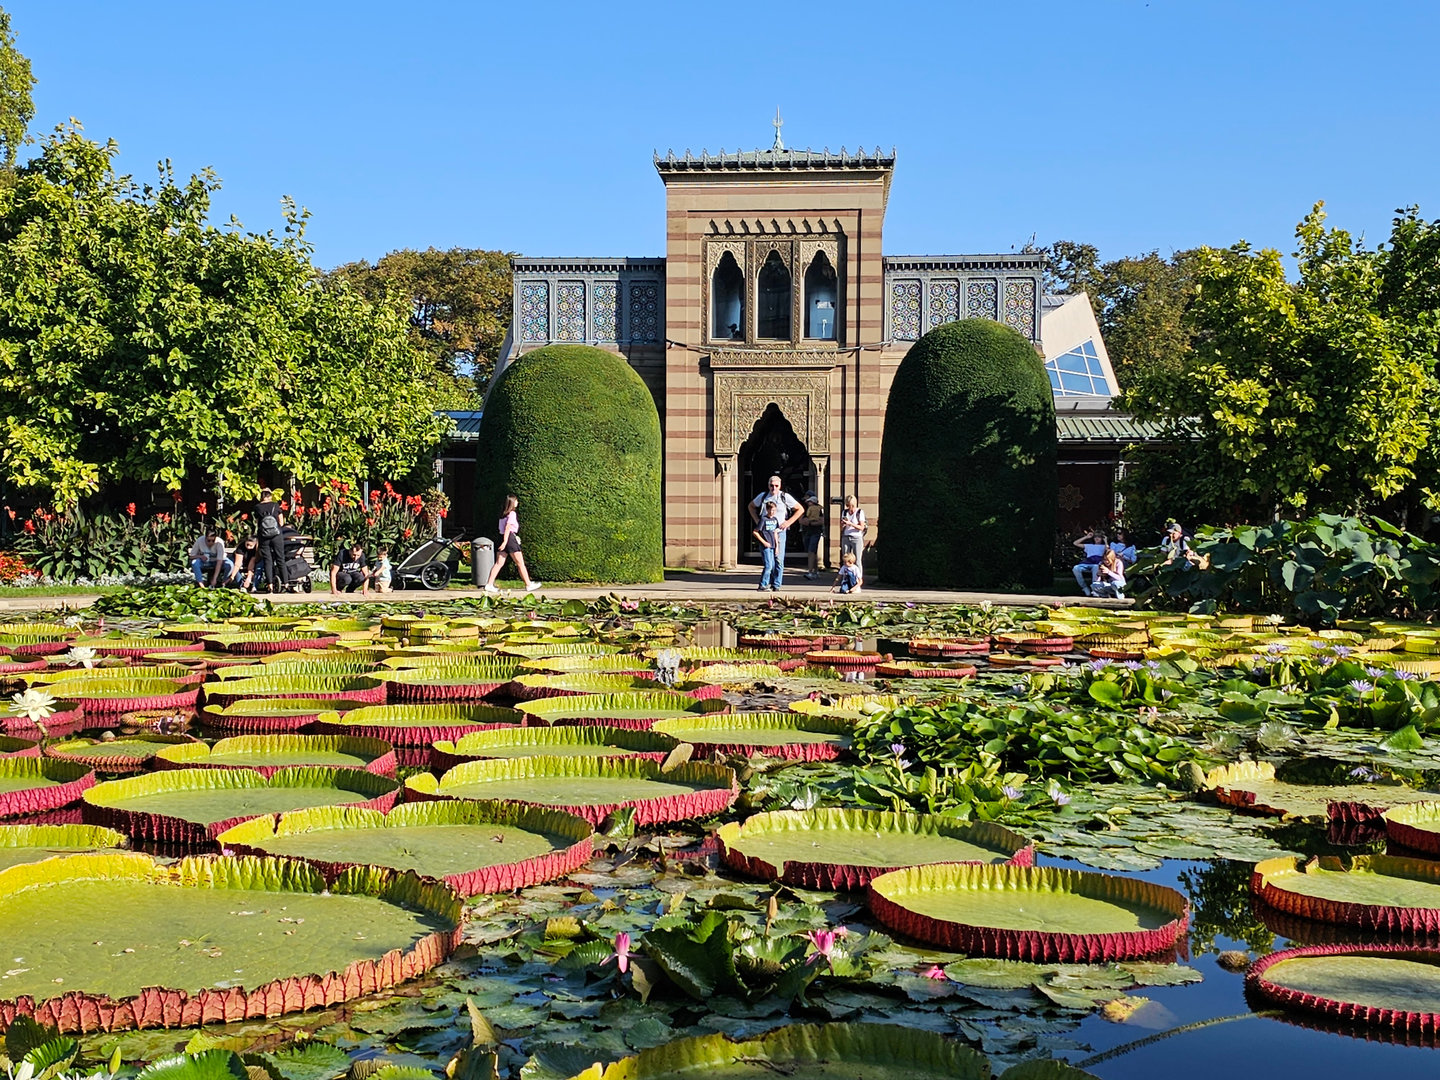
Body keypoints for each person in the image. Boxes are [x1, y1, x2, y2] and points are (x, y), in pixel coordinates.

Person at [747, 476, 802, 590]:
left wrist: (788, 522)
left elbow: (800, 509)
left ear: (780, 486)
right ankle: (766, 583)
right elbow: (751, 506)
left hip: (780, 532)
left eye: (776, 486)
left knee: (779, 559)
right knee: (769, 561)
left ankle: (776, 584)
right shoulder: (763, 497)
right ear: (768, 485)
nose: (774, 488)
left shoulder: (784, 497)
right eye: (771, 485)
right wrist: (758, 521)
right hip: (766, 533)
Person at [484, 494, 543, 594]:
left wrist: (503, 541)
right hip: (509, 538)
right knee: (520, 563)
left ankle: (489, 584)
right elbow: (508, 527)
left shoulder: (502, 515)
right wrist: (506, 541)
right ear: (512, 503)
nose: (517, 502)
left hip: (502, 537)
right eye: (516, 501)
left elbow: (501, 529)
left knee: (499, 563)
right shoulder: (512, 514)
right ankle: (528, 584)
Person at [255, 488, 289, 591]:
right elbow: (281, 522)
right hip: (276, 535)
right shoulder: (275, 505)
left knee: (267, 560)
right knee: (280, 558)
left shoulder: (257, 507)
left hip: (264, 536)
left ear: (262, 497)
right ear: (270, 496)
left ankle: (270, 584)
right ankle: (286, 582)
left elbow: (257, 522)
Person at [752, 499, 784, 591]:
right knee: (768, 565)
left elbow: (775, 533)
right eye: (770, 510)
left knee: (774, 566)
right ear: (767, 509)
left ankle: (773, 584)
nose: (772, 512)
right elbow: (755, 532)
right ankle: (762, 584)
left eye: (774, 510)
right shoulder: (763, 519)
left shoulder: (775, 520)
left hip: (773, 546)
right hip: (766, 546)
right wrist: (764, 542)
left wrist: (777, 547)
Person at [1072, 528, 1110, 596]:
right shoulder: (1089, 546)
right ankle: (1084, 587)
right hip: (1087, 562)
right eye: (1095, 537)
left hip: (1097, 563)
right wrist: (1086, 537)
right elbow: (1075, 543)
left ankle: (1094, 588)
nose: (1097, 538)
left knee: (1096, 567)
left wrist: (1105, 540)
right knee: (1075, 568)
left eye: (1099, 537)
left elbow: (1108, 550)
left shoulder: (1104, 546)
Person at [801, 492, 825, 580]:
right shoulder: (805, 508)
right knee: (811, 552)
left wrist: (810, 522)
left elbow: (822, 521)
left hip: (815, 532)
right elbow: (801, 520)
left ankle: (810, 572)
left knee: (811, 551)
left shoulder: (819, 509)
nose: (806, 502)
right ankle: (815, 570)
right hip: (806, 532)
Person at [839, 495, 867, 563]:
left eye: (852, 505)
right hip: (846, 536)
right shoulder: (845, 512)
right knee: (845, 558)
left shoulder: (859, 512)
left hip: (856, 537)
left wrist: (850, 523)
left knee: (857, 560)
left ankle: (858, 573)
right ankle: (846, 573)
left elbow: (861, 527)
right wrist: (843, 524)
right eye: (848, 505)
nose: (850, 508)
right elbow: (841, 528)